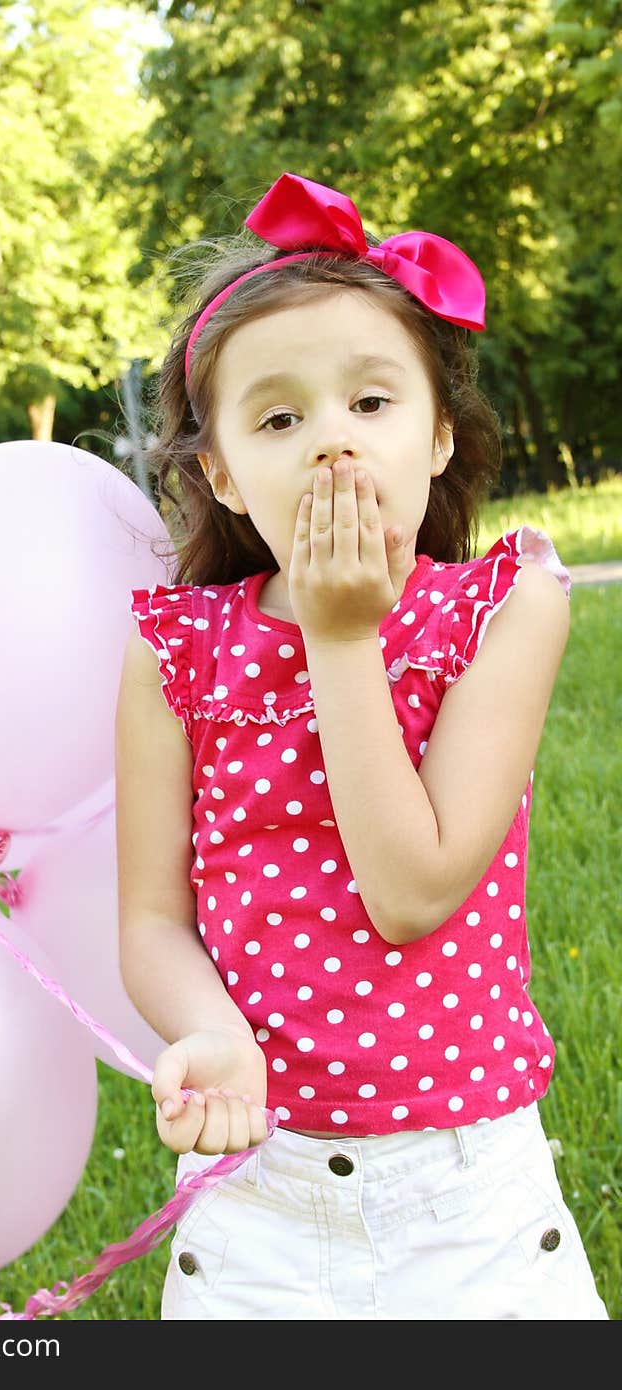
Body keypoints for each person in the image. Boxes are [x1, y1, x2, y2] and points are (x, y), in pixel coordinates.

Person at [114, 173, 608, 1320]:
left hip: (467, 1196)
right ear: (223, 471)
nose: (331, 441)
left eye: (371, 403)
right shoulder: (178, 650)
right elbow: (149, 919)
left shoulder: (503, 607)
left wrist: (342, 641)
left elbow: (413, 890)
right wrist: (212, 1033)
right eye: (279, 417)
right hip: (260, 1199)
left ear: (438, 435)